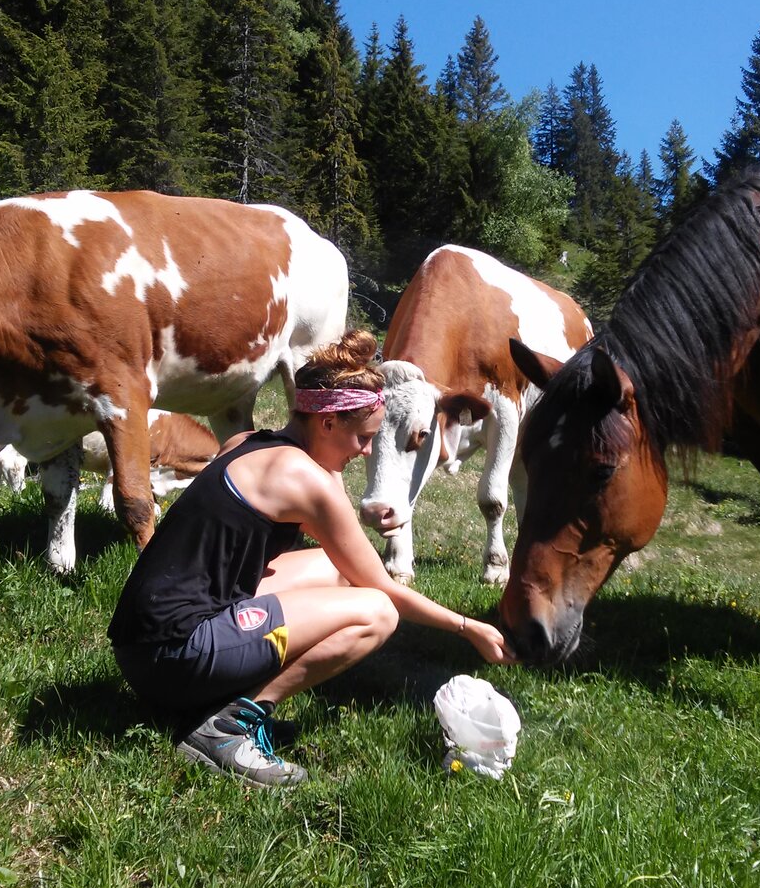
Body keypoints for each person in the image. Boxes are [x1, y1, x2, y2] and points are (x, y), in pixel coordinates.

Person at [108, 330, 515, 789]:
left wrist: (337, 479)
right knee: (376, 613)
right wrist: (469, 627)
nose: (364, 451)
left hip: (141, 644)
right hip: (172, 659)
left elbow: (341, 552)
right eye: (362, 438)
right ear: (326, 423)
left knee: (332, 568)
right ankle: (227, 726)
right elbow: (381, 586)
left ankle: (215, 701)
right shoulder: (305, 479)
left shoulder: (247, 441)